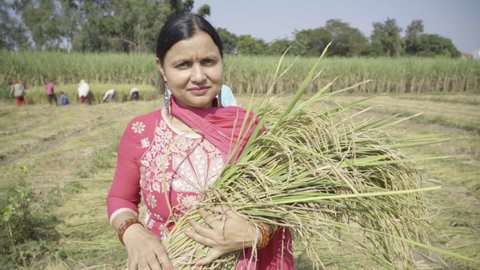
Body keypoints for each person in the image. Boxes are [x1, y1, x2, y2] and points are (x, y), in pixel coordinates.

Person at [107, 14, 293, 270]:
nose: (198, 76)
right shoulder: (141, 132)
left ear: (221, 61)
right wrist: (132, 231)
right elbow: (121, 198)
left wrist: (255, 232)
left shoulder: (248, 130)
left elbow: (281, 202)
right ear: (161, 67)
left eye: (208, 62)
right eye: (183, 65)